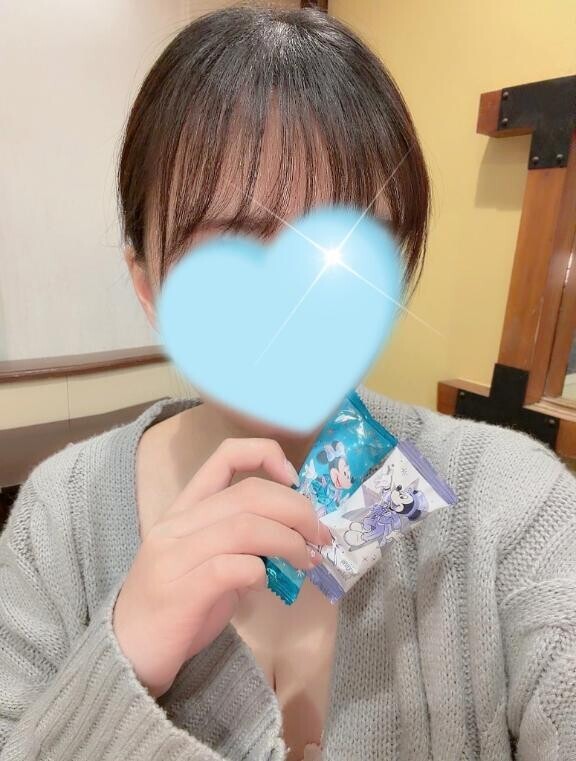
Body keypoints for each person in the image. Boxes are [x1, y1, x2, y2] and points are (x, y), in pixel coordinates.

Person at [1, 6, 575, 761]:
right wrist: (125, 657)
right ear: (147, 285)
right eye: (235, 246)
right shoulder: (59, 519)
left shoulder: (514, 503)